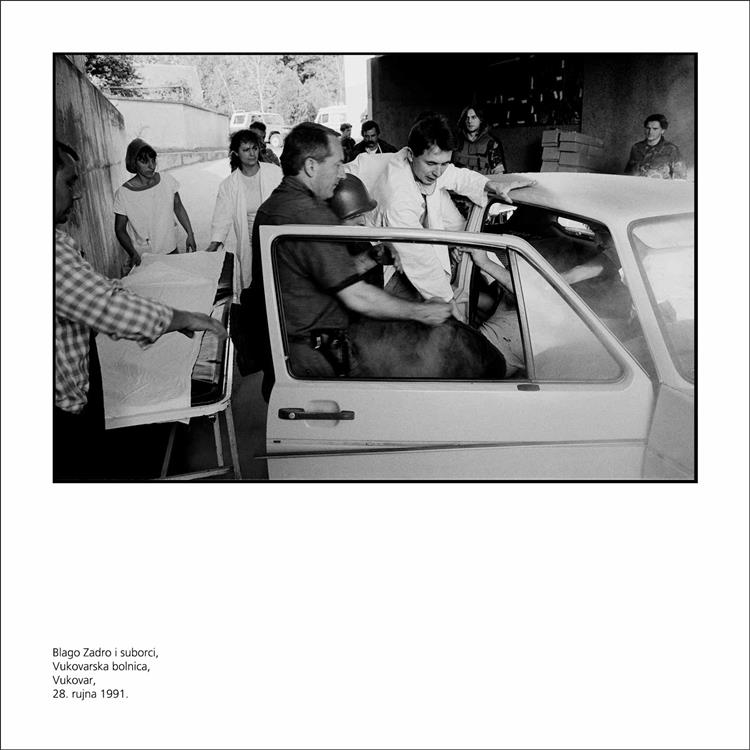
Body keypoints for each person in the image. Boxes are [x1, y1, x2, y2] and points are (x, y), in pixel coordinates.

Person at [55, 140, 227, 481]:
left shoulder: (60, 243)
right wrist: (182, 318)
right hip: (63, 415)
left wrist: (125, 289)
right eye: (70, 182)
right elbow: (107, 307)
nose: (77, 195)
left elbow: (96, 291)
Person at [240, 122, 451, 398]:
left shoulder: (274, 206)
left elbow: (316, 276)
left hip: (289, 356)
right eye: (338, 164)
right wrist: (421, 312)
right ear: (311, 166)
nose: (342, 174)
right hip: (313, 362)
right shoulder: (309, 216)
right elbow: (357, 296)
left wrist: (372, 256)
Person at [345, 113, 533, 307]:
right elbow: (419, 259)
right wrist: (447, 302)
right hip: (382, 259)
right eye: (432, 164)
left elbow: (455, 175)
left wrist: (490, 185)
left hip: (411, 250)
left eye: (444, 163)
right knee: (421, 307)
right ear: (411, 155)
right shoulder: (397, 196)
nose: (438, 172)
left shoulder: (425, 166)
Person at [204, 129, 282, 289]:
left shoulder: (274, 173)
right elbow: (222, 219)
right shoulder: (229, 185)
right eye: (246, 150)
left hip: (275, 240)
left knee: (277, 283)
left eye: (254, 148)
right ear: (236, 153)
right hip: (250, 245)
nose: (252, 153)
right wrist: (214, 244)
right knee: (253, 284)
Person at [114, 138, 196, 267]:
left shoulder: (167, 181)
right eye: (144, 161)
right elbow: (120, 229)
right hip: (145, 256)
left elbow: (178, 207)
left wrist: (190, 233)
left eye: (153, 160)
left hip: (171, 249)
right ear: (133, 163)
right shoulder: (124, 194)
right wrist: (132, 253)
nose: (151, 166)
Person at [624, 114, 686, 179]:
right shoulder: (636, 147)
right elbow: (629, 174)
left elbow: (680, 178)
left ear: (662, 131)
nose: (650, 132)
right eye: (648, 128)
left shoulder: (672, 149)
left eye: (655, 129)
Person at [453, 105, 506, 175]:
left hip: (483, 181)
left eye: (473, 117)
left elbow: (499, 173)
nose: (469, 121)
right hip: (461, 181)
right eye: (467, 118)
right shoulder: (456, 141)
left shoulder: (491, 143)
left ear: (480, 120)